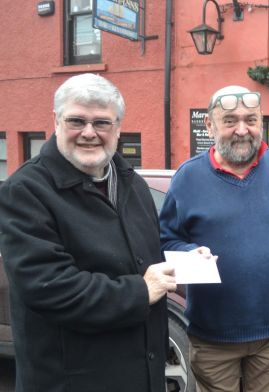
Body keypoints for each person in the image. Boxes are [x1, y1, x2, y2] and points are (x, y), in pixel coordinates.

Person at [0, 73, 175, 392]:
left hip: (141, 376)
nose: (89, 133)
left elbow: (144, 259)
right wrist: (140, 291)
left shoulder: (131, 183)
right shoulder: (26, 191)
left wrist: (187, 262)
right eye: (77, 120)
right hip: (71, 381)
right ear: (56, 121)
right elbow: (50, 288)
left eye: (102, 123)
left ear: (118, 127)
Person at [159, 85, 269, 392]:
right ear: (209, 125)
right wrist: (189, 252)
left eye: (251, 119)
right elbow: (166, 239)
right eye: (230, 120)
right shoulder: (187, 178)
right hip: (212, 337)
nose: (242, 130)